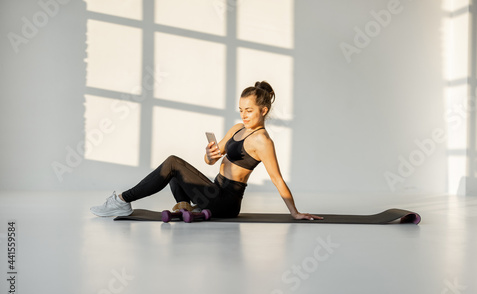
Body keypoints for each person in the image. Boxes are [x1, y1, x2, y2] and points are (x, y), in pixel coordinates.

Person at [90, 81, 323, 221]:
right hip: (214, 192)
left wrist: (295, 212)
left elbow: (277, 179)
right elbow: (211, 160)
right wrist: (209, 155)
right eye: (241, 109)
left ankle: (122, 200)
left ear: (263, 110)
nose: (244, 114)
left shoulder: (262, 140)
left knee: (172, 163)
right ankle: (189, 208)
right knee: (174, 173)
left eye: (249, 110)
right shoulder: (237, 128)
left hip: (226, 202)